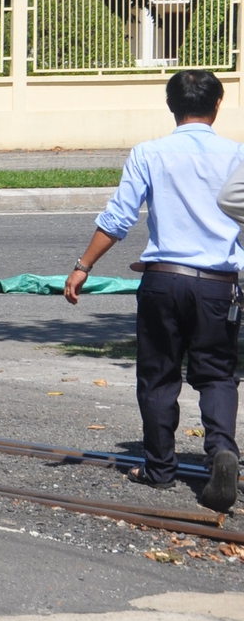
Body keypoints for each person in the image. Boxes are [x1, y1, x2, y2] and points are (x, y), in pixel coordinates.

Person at [69, 69, 242, 513]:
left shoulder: (149, 153)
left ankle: (159, 469)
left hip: (164, 279)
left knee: (159, 374)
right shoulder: (237, 156)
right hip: (220, 286)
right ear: (217, 106)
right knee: (218, 374)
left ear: (171, 107)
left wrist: (83, 266)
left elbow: (118, 219)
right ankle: (221, 449)